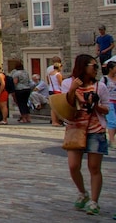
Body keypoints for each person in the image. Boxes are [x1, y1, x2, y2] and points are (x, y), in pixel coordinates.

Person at [62, 54, 110, 216]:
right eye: (93, 66)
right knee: (73, 166)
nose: (96, 69)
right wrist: (72, 90)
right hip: (75, 129)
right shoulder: (68, 83)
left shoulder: (100, 86)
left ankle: (94, 201)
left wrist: (95, 105)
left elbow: (107, 109)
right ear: (83, 66)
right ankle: (83, 193)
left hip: (96, 129)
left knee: (94, 167)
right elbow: (66, 105)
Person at [104, 60, 116, 145]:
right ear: (110, 69)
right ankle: (112, 141)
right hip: (109, 102)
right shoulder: (105, 79)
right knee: (112, 121)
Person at [49, 61, 65, 126]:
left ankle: (54, 120)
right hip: (57, 90)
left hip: (51, 90)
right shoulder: (58, 74)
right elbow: (60, 83)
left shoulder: (50, 74)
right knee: (58, 106)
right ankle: (56, 121)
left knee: (53, 107)